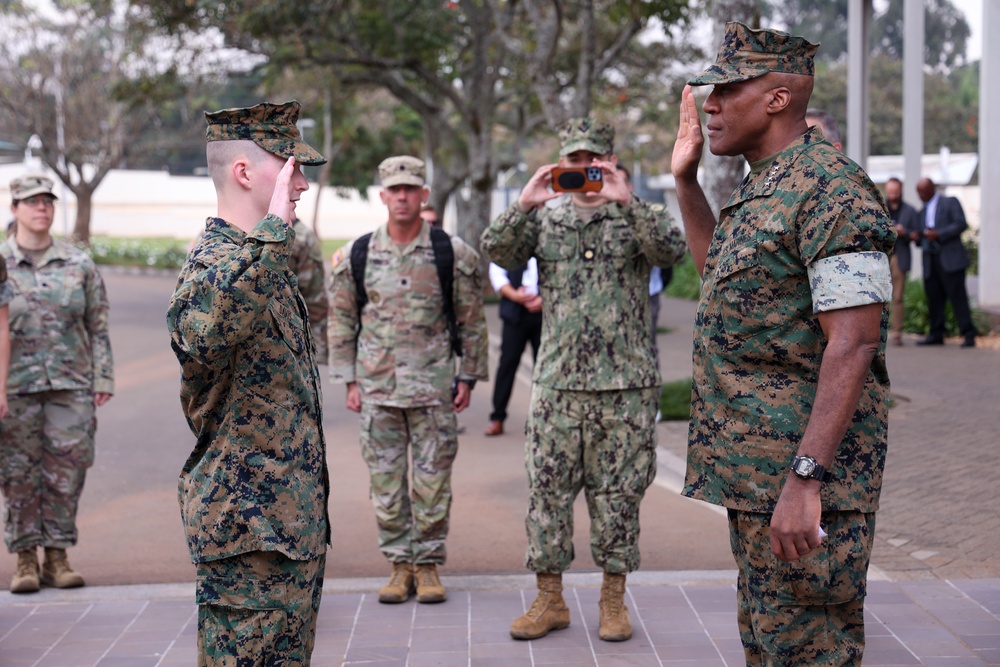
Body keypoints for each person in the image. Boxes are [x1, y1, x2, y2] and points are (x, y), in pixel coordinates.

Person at [670, 22, 895, 665]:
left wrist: (805, 480)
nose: (708, 104)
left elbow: (852, 344)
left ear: (776, 98)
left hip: (805, 482)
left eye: (725, 90)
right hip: (758, 480)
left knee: (808, 651)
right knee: (771, 647)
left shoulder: (830, 190)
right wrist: (685, 183)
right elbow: (723, 280)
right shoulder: (764, 183)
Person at [481, 118, 687, 643]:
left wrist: (630, 199)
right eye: (571, 161)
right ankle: (550, 600)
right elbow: (498, 253)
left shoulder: (637, 217)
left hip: (625, 388)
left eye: (591, 160)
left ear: (610, 162)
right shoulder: (545, 221)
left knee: (619, 498)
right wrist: (525, 202)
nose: (581, 169)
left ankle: (613, 601)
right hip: (558, 386)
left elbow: (673, 253)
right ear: (560, 164)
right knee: (546, 497)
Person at [166, 101, 331, 666]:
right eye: (290, 166)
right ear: (243, 172)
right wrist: (273, 232)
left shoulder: (264, 261)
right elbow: (207, 332)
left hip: (285, 528)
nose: (302, 183)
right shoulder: (215, 263)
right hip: (247, 531)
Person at [328, 155, 488, 605]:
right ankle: (399, 565)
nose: (402, 197)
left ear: (424, 195)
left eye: (410, 189)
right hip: (377, 391)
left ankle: (429, 565)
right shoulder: (357, 254)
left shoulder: (450, 252)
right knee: (385, 483)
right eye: (394, 190)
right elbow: (342, 322)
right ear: (383, 196)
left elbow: (471, 320)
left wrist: (469, 376)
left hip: (434, 388)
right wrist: (349, 381)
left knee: (433, 482)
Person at [1, 174, 114, 594]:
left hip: (71, 385)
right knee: (18, 474)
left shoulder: (78, 264)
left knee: (67, 471)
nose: (41, 208)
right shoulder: (1, 264)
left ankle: (58, 555)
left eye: (47, 201)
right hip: (14, 388)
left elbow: (97, 327)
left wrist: (102, 377)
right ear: (14, 209)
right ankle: (26, 558)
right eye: (31, 202)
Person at [912, 177, 976, 348]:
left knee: (958, 298)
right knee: (934, 298)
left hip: (950, 259)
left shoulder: (950, 202)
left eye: (923, 192)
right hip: (930, 260)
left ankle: (968, 334)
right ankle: (936, 334)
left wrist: (938, 233)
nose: (920, 196)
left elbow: (961, 224)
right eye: (918, 192)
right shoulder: (921, 212)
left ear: (932, 189)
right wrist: (917, 237)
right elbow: (921, 236)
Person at [484, 258, 542, 436]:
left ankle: (542, 418)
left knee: (543, 368)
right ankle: (497, 417)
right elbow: (497, 274)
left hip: (544, 314)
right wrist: (515, 295)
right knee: (507, 364)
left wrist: (544, 299)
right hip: (514, 314)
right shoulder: (512, 247)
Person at [885, 177, 919, 346]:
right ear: (886, 190)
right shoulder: (878, 207)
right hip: (883, 256)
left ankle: (897, 333)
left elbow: (917, 233)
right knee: (880, 297)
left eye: (896, 192)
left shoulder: (910, 210)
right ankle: (878, 333)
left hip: (900, 255)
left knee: (897, 297)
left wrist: (904, 232)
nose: (893, 195)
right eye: (891, 192)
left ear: (901, 191)